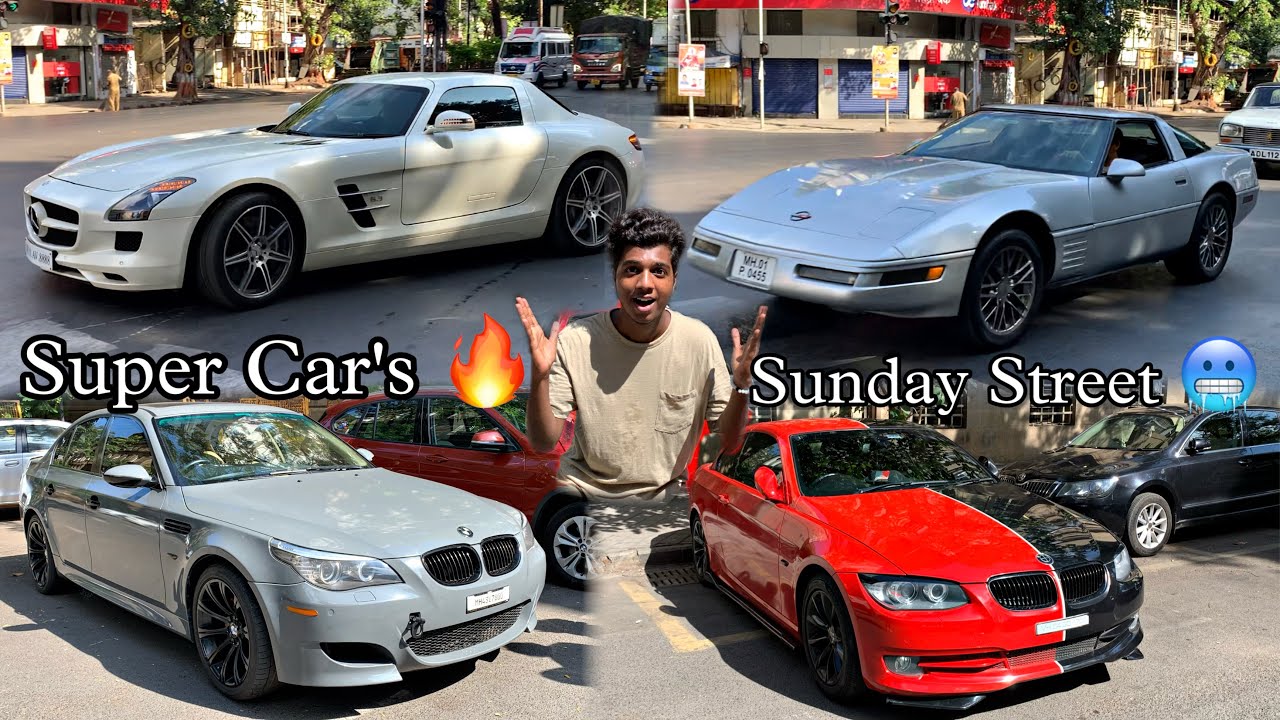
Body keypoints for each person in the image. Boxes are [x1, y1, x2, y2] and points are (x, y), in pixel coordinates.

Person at [515, 207, 767, 503]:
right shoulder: (575, 341)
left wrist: (741, 385)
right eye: (632, 269)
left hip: (665, 503)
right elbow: (543, 442)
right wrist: (540, 376)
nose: (645, 283)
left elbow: (732, 439)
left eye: (658, 271)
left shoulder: (699, 341)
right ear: (616, 278)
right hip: (584, 499)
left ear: (674, 280)